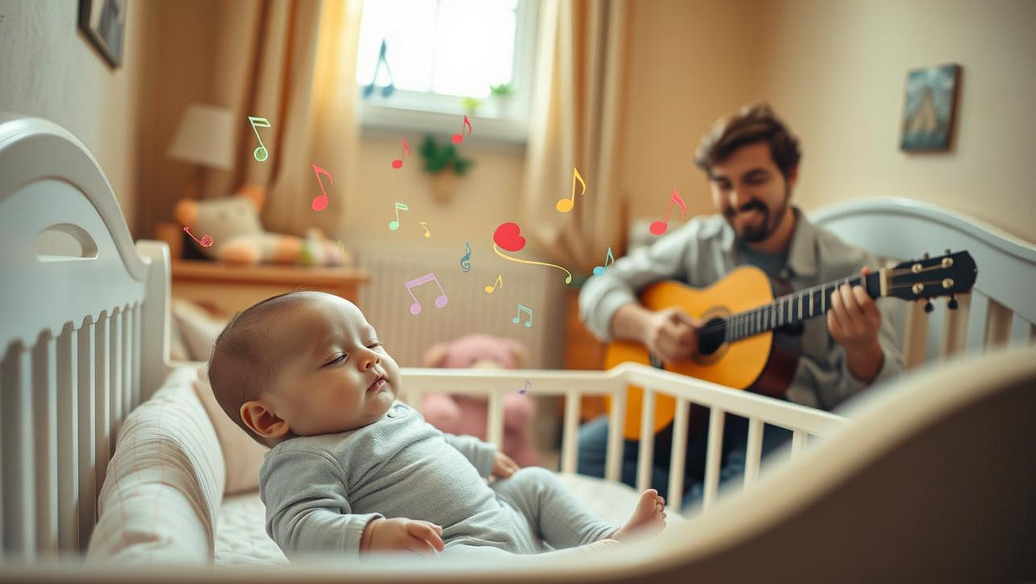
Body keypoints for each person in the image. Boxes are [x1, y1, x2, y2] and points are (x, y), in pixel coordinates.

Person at [577, 103, 905, 507]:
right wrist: (647, 326)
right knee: (584, 453)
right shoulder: (701, 239)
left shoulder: (849, 267)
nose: (737, 199)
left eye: (754, 180)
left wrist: (862, 349)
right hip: (692, 414)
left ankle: (676, 516)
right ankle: (675, 506)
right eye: (723, 184)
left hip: (780, 425)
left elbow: (888, 398)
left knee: (716, 516)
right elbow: (599, 288)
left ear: (791, 175)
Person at [207, 291, 666, 559]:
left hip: (499, 515)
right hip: (453, 551)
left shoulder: (389, 413)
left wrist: (482, 454)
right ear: (268, 417)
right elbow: (298, 527)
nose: (371, 358)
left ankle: (599, 538)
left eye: (372, 341)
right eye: (336, 357)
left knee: (535, 482)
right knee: (470, 564)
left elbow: (435, 442)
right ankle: (594, 566)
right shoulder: (304, 458)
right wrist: (367, 537)